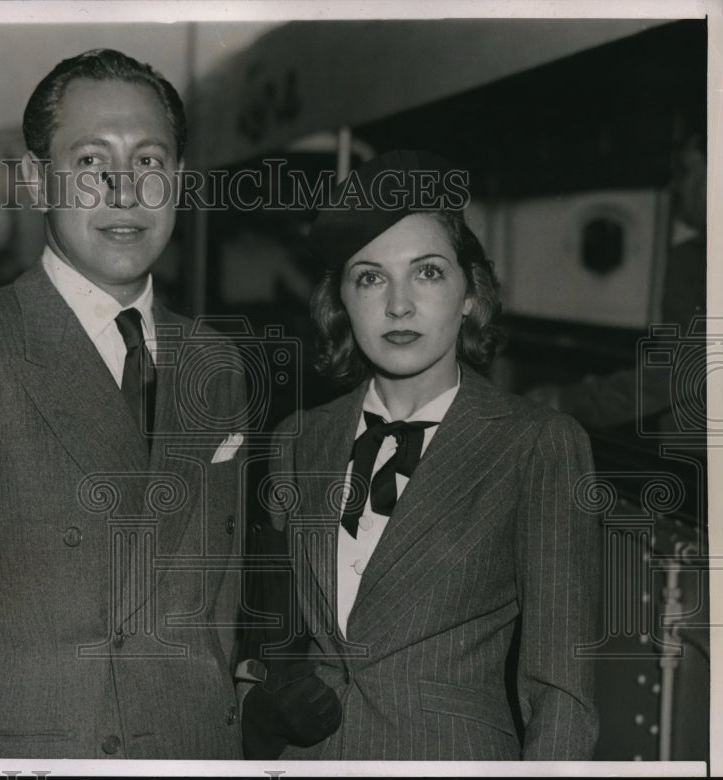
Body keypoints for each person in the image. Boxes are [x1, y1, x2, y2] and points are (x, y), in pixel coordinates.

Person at [0, 49, 248, 759]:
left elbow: (214, 622)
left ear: (181, 184)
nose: (125, 192)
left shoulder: (214, 363)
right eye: (93, 163)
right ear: (37, 181)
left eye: (151, 162)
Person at [240, 150, 602, 760]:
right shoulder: (299, 439)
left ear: (469, 293)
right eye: (370, 277)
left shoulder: (536, 444)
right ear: (343, 302)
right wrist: (260, 703)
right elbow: (268, 626)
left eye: (428, 272)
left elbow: (562, 694)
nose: (399, 305)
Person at [528, 133, 707, 434]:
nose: (675, 185)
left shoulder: (695, 259)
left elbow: (676, 372)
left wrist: (566, 400)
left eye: (686, 170)